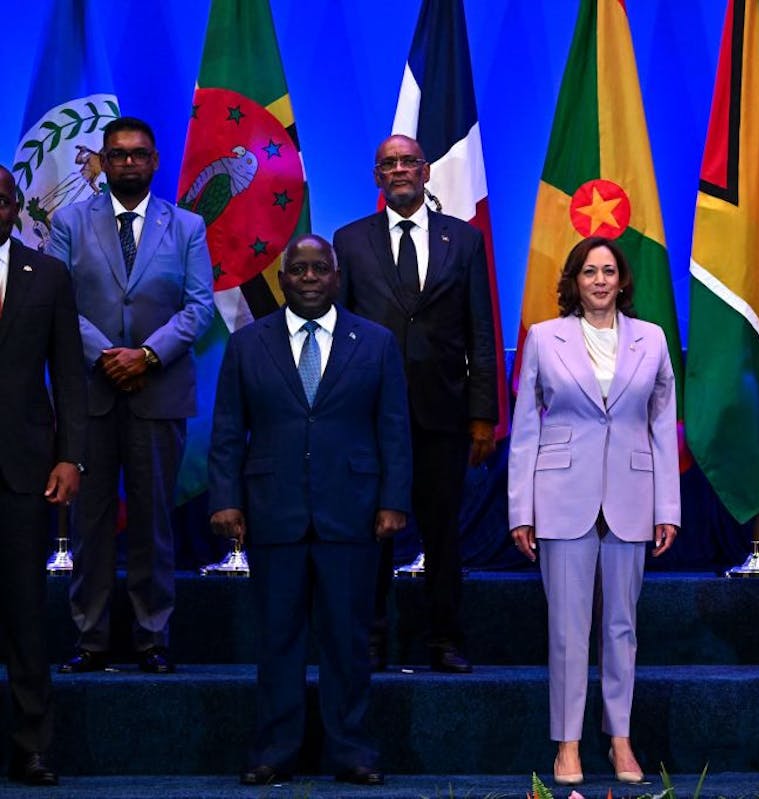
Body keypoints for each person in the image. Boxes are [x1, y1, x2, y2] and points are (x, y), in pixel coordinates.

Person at [208, 234, 411, 786]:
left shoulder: (376, 342)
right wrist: (225, 498)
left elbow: (394, 428)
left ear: (337, 277)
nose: (310, 278)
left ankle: (353, 752)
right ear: (282, 280)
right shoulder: (248, 343)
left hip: (353, 512)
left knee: (348, 639)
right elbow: (227, 429)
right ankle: (275, 752)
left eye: (320, 268)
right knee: (278, 639)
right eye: (298, 270)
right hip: (274, 511)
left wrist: (394, 500)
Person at [508, 236, 679, 786]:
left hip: (632, 496)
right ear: (574, 281)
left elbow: (662, 426)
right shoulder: (543, 337)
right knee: (567, 629)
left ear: (622, 280)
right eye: (589, 271)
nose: (600, 280)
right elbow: (525, 429)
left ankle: (620, 738)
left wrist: (667, 507)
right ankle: (568, 744)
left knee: (621, 626)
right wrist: (520, 510)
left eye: (608, 271)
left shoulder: (652, 339)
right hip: (561, 496)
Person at [49, 116, 214, 675]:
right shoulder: (69, 221)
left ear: (154, 161)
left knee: (153, 521)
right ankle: (90, 638)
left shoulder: (187, 226)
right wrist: (107, 356)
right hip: (90, 393)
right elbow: (59, 304)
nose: (127, 163)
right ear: (103, 161)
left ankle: (152, 639)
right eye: (117, 154)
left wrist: (145, 355)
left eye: (138, 154)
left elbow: (200, 307)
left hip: (158, 390)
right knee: (90, 522)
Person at [333, 134, 501, 674]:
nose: (400, 169)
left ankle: (444, 641)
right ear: (377, 177)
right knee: (370, 533)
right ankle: (371, 640)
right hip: (369, 415)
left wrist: (483, 414)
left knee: (443, 534)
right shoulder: (350, 240)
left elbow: (480, 331)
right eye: (389, 163)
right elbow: (340, 331)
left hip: (443, 414)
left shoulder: (464, 239)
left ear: (426, 172)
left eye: (409, 161)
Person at [0, 165, 87, 787]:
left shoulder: (49, 274)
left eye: (1, 200)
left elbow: (70, 374)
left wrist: (69, 456)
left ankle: (32, 747)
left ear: (15, 208)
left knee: (25, 612)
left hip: (23, 468)